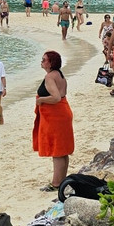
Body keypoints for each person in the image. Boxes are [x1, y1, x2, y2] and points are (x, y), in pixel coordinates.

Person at [34, 50, 74, 191]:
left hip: (56, 115)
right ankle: (62, 180)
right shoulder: (59, 74)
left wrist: (41, 100)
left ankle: (56, 183)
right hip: (63, 112)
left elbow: (56, 97)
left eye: (44, 59)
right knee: (63, 150)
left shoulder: (50, 77)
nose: (42, 61)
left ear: (51, 63)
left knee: (57, 151)